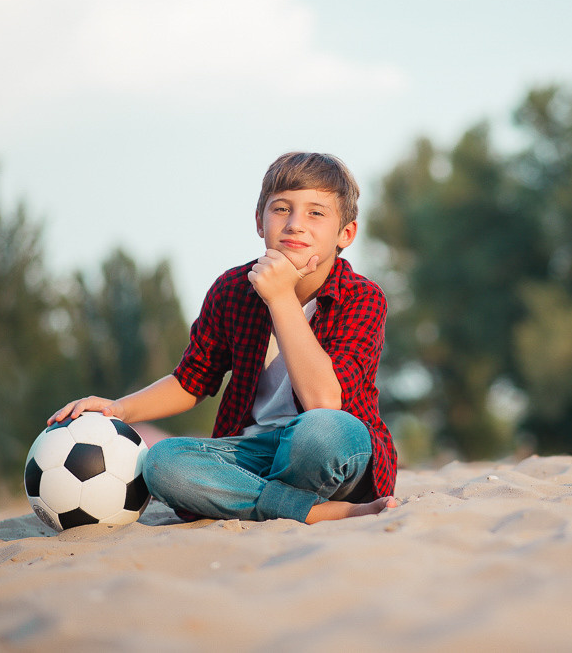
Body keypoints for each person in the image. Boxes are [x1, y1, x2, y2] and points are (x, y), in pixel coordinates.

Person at [48, 152, 399, 524]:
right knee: (162, 461)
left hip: (333, 448)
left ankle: (256, 500)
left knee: (319, 432)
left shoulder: (362, 297)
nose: (295, 224)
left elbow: (324, 402)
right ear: (259, 221)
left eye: (316, 213)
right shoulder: (232, 289)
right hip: (251, 453)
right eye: (281, 209)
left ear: (346, 233)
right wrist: (118, 410)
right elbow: (191, 381)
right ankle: (312, 511)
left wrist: (281, 297)